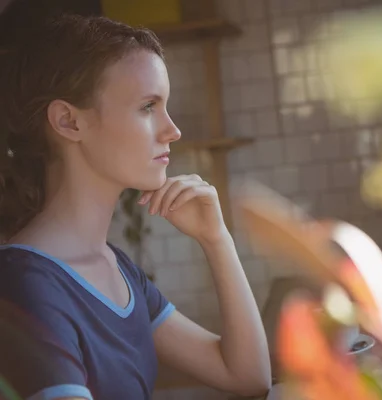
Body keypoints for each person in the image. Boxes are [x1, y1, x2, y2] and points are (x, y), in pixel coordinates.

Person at [0, 14, 271, 400]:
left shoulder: (119, 271)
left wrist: (216, 239)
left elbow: (247, 376)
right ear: (68, 121)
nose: (172, 130)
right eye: (148, 106)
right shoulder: (22, 284)